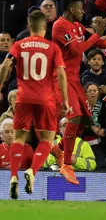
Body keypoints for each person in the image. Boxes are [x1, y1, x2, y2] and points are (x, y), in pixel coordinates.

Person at [52, 0, 106, 185]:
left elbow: (99, 43)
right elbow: (76, 50)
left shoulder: (78, 27)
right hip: (62, 78)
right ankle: (66, 164)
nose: (84, 12)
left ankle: (57, 148)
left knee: (86, 120)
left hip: (74, 79)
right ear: (72, 9)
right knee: (74, 117)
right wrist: (97, 33)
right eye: (81, 8)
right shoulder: (60, 26)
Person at [0, 11, 69, 200]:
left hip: (23, 98)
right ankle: (32, 171)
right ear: (44, 28)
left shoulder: (19, 45)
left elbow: (5, 66)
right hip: (45, 99)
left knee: (19, 139)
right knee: (46, 140)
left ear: (29, 27)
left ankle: (14, 176)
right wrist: (65, 101)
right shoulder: (52, 47)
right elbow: (62, 74)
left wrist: (0, 85)